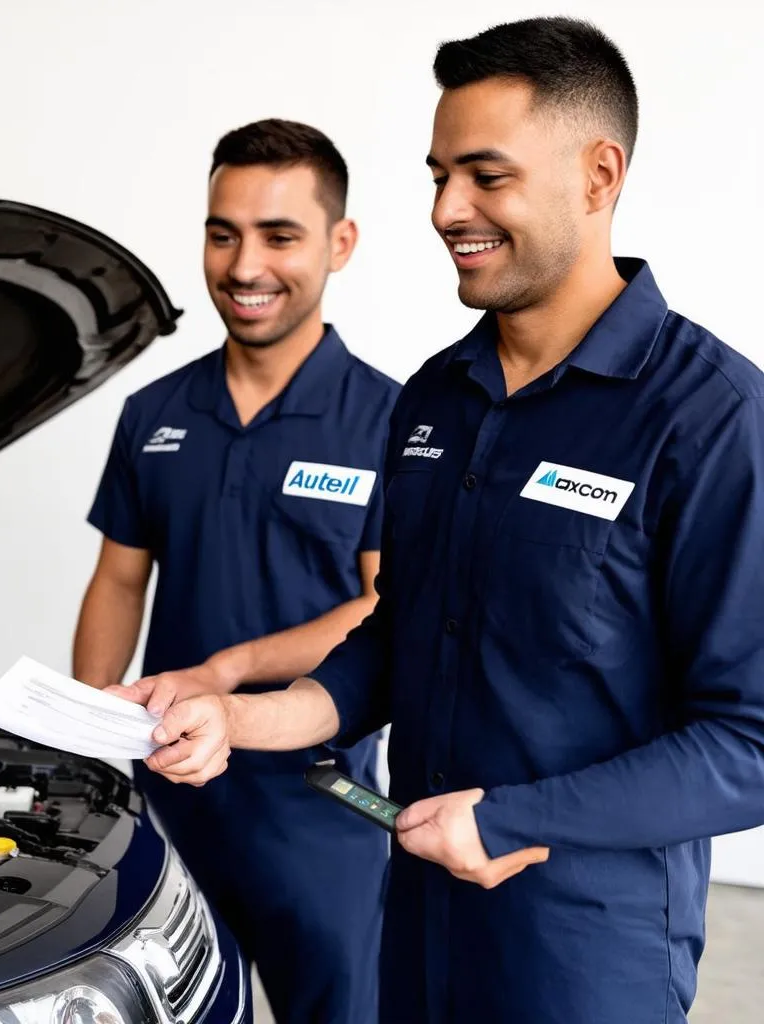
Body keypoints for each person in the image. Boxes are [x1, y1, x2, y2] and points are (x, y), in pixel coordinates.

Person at [115, 17, 764, 1024]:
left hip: (583, 954)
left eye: (485, 176)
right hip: (415, 917)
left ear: (597, 177)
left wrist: (510, 816)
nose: (445, 209)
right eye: (436, 175)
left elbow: (748, 741)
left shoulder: (712, 418)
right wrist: (237, 715)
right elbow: (392, 641)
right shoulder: (432, 401)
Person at [73, 118, 400, 1023]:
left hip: (315, 803)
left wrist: (223, 673)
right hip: (168, 797)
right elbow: (117, 582)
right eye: (224, 233)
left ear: (341, 243)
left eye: (279, 235)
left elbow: (384, 606)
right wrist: (95, 719)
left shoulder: (394, 421)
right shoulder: (155, 414)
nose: (244, 264)